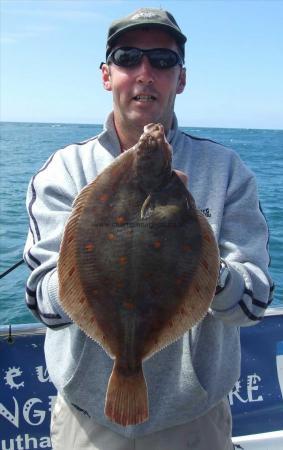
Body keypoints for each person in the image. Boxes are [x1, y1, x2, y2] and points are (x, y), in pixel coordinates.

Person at [24, 7, 273, 450]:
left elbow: (251, 304)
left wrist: (200, 257)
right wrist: (89, 251)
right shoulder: (64, 170)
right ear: (107, 75)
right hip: (88, 421)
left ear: (181, 78)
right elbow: (43, 305)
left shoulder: (226, 171)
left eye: (162, 60)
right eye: (127, 57)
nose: (145, 72)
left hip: (194, 421)